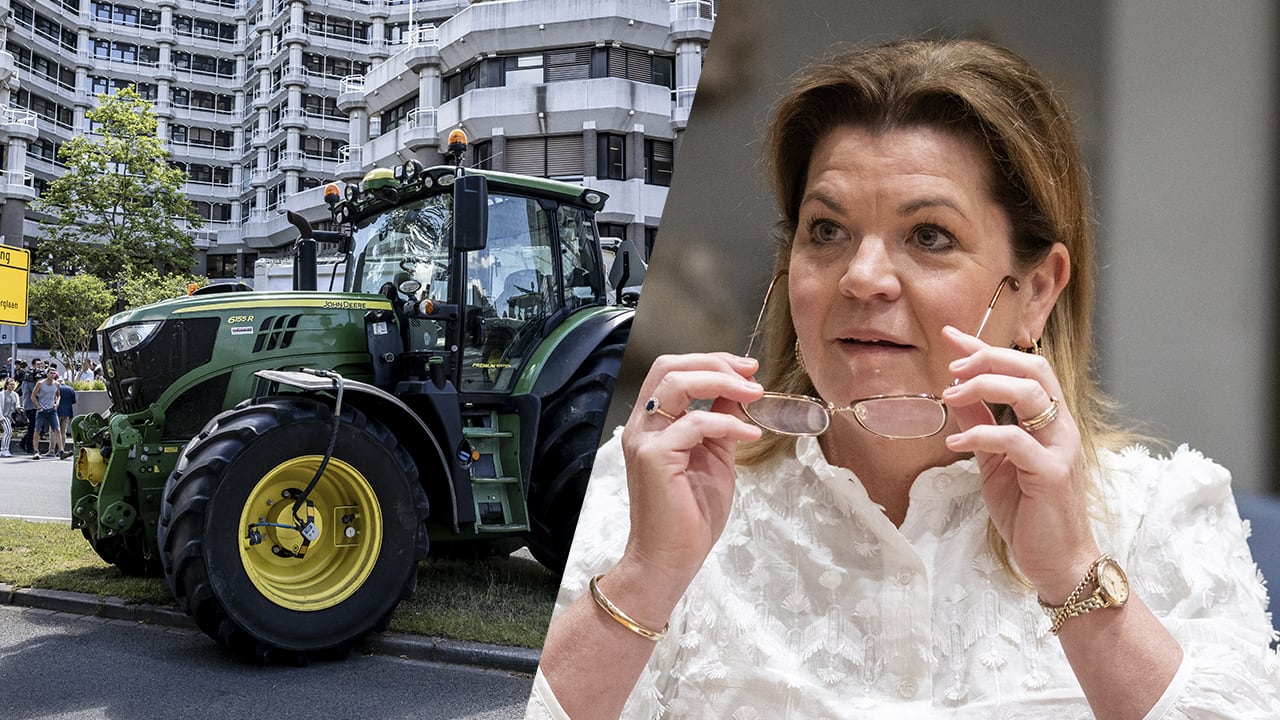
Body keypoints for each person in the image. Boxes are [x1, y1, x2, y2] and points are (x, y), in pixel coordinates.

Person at [529, 39, 1279, 718]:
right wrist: (647, 577)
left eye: (929, 236)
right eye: (827, 230)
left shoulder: (1163, 517)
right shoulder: (645, 492)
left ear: (1038, 289)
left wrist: (1074, 578)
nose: (862, 276)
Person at [30, 367, 61, 460]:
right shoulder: (40, 383)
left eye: (54, 373)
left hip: (52, 410)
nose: (52, 375)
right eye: (51, 373)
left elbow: (58, 395)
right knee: (37, 430)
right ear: (47, 374)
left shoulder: (56, 384)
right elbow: (33, 396)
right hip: (42, 410)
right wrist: (38, 407)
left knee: (57, 430)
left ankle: (61, 450)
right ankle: (36, 451)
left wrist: (57, 404)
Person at [57, 378, 76, 459]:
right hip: (67, 412)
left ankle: (51, 450)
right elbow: (74, 401)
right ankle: (61, 449)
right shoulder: (71, 389)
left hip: (57, 412)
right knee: (63, 432)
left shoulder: (56, 388)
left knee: (54, 431)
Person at [0, 378, 19, 457]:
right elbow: (0, 406)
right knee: (8, 431)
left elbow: (17, 405)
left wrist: (19, 408)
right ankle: (5, 449)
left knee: (7, 432)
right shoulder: (2, 394)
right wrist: (0, 416)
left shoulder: (15, 394)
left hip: (10, 416)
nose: (12, 386)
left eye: (13, 385)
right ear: (7, 385)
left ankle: (3, 449)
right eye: (11, 384)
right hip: (3, 416)